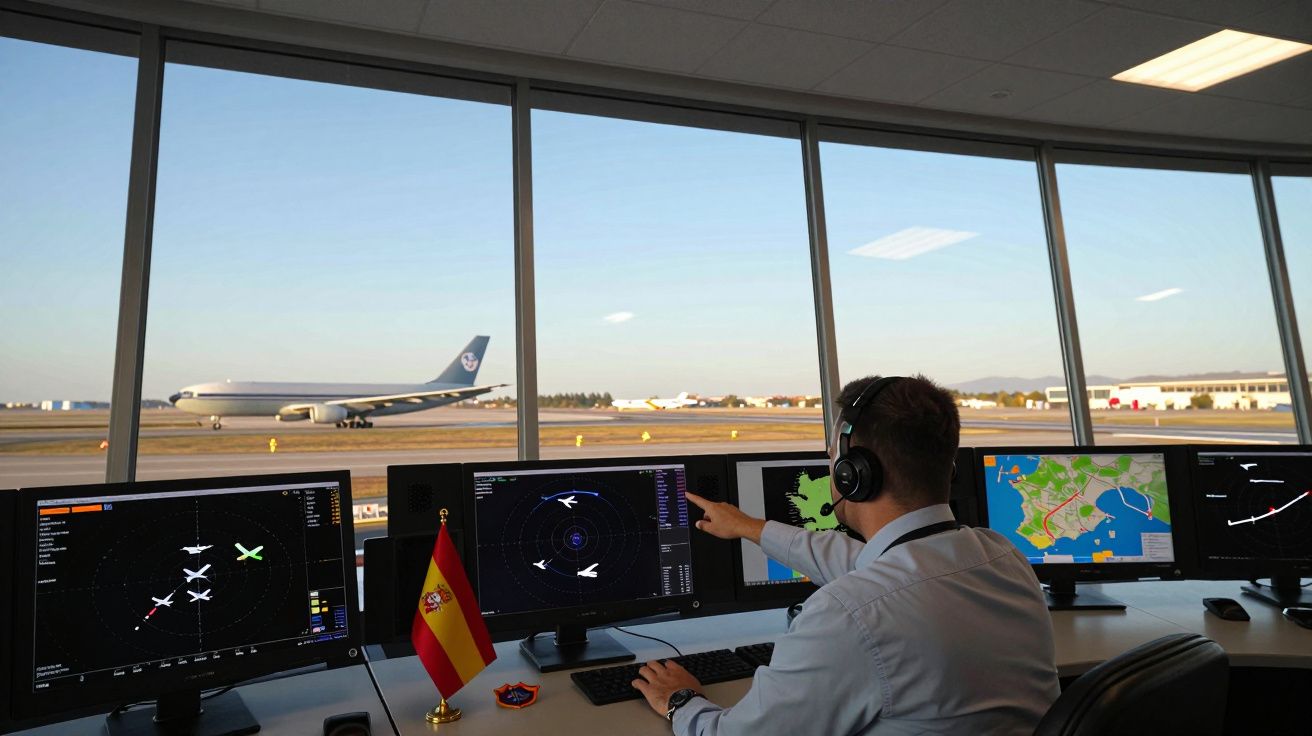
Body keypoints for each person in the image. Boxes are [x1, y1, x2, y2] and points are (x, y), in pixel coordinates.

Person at [633, 375, 1060, 735]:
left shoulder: (849, 615)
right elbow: (867, 564)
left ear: (852, 474)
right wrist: (751, 528)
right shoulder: (1002, 557)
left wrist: (680, 701)